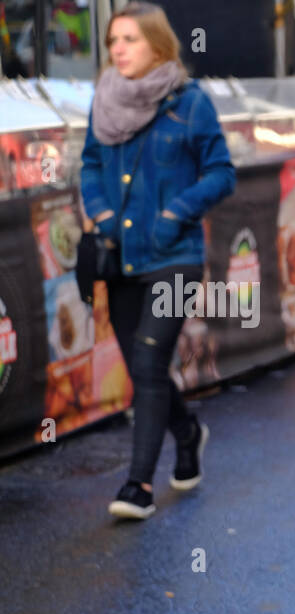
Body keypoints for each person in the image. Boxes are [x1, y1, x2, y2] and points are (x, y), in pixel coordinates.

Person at [79, 2, 235, 520]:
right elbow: (90, 166)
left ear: (158, 46)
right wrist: (101, 217)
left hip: (175, 256)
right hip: (121, 258)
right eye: (113, 41)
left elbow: (221, 173)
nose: (118, 50)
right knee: (142, 367)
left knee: (148, 362)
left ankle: (137, 485)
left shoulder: (191, 103)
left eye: (129, 40)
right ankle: (188, 433)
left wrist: (175, 212)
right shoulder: (103, 102)